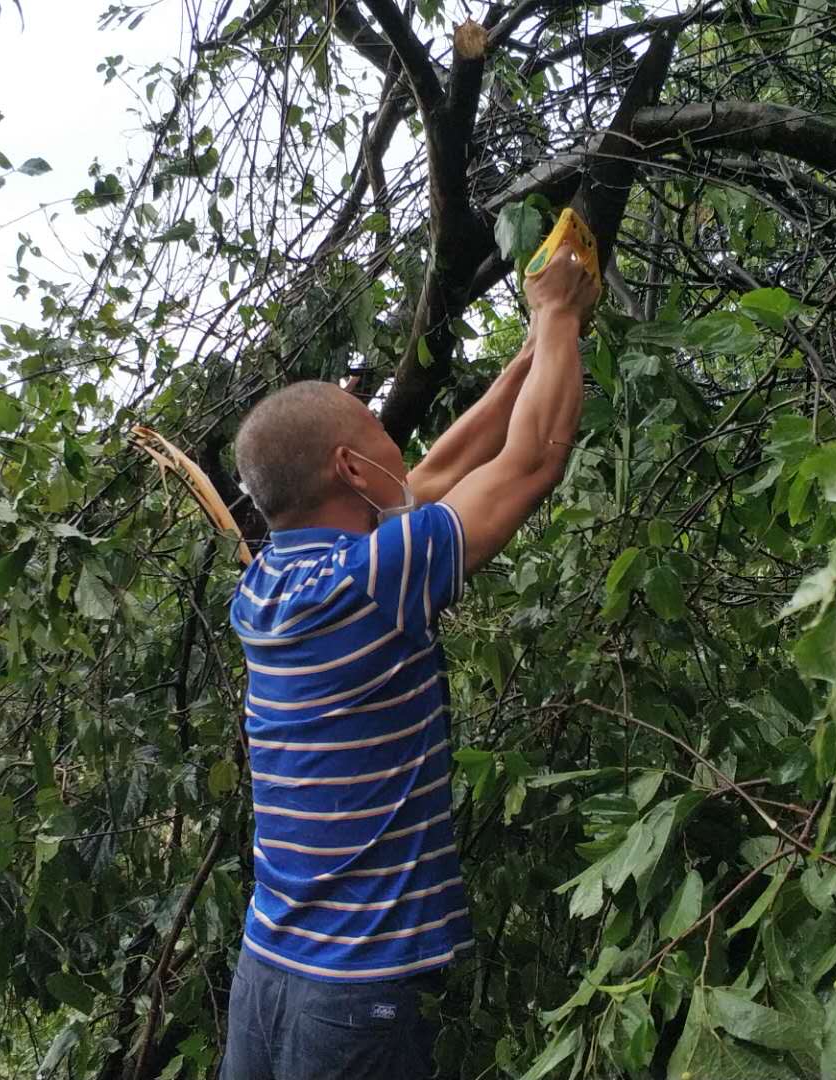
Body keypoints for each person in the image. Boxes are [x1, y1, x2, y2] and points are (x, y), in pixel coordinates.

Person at [218, 240, 601, 1080]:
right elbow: (532, 461)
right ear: (352, 469)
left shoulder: (268, 589)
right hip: (356, 992)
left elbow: (432, 478)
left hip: (270, 970)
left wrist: (535, 349)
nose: (405, 453)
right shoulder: (371, 580)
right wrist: (561, 313)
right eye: (381, 439)